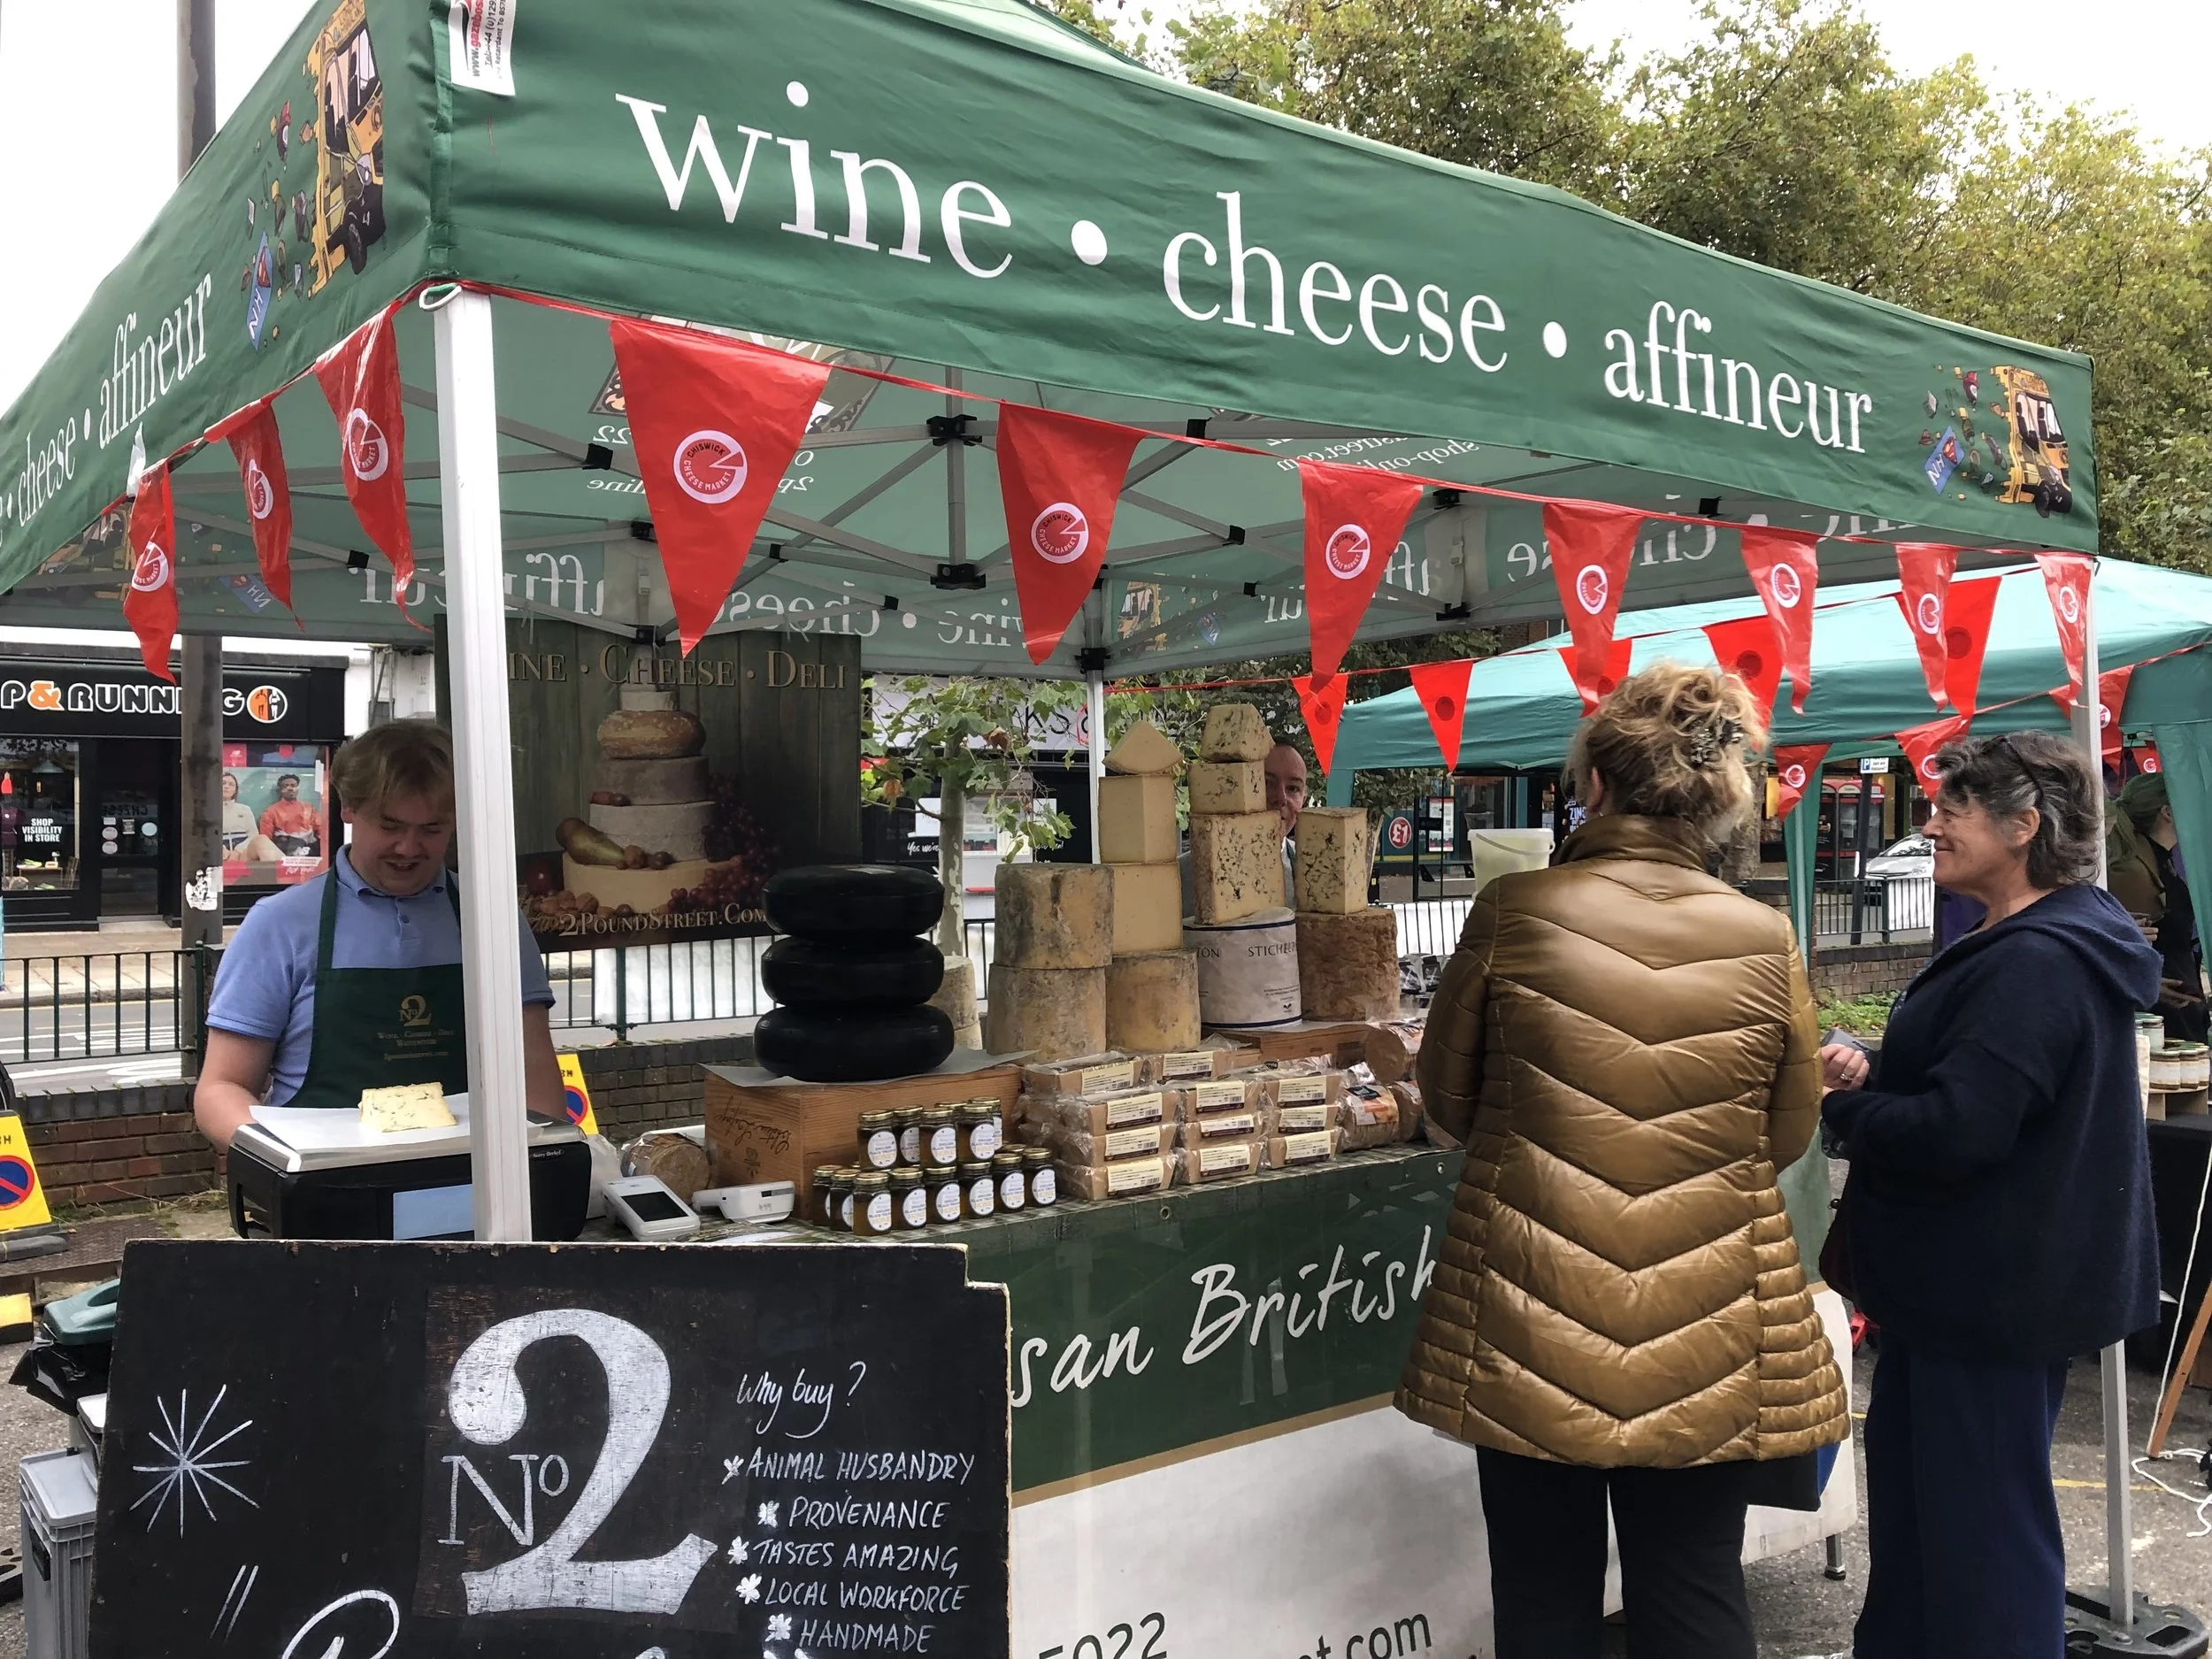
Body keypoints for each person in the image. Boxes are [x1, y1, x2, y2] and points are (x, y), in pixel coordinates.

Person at [1396, 664, 1848, 1659]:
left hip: (1529, 1309)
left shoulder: (1516, 910)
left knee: (1541, 1593)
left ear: (1594, 783)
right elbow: (1785, 1134)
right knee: (1693, 1587)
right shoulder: (1763, 935)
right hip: (1711, 1310)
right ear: (1714, 795)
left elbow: (1448, 1101)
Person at [1822, 732, 2161, 1659]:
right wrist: (1881, 1069)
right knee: (1926, 1532)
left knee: (1982, 1547)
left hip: (1989, 1297)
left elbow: (1961, 1130)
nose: (1929, 827)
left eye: (1950, 810)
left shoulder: (2035, 959)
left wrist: (1841, 1110)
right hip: (1963, 1292)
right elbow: (1990, 1085)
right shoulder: (2032, 940)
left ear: (2024, 826)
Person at [195, 719, 565, 1147]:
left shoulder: (493, 920)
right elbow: (221, 1087)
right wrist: (284, 1163)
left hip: (473, 1172)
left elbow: (533, 1068)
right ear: (349, 808)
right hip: (325, 1177)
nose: (408, 848)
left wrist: (544, 1155)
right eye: (390, 826)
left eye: (432, 829)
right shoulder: (280, 924)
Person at [2108, 770, 2207, 1040]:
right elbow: (2125, 949)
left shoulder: (2156, 860)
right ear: (2168, 813)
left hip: (2173, 1001)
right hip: (2159, 1014)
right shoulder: (2135, 871)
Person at [1179, 733, 1307, 912]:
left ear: (1304, 800)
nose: (1281, 797)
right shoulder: (1181, 875)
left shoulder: (1313, 869)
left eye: (1293, 788)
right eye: (1265, 782)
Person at [257, 772, 322, 859]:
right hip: (284, 850)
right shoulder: (270, 811)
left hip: (310, 849)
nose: (290, 788)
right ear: (280, 790)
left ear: (298, 788)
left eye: (293, 785)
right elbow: (265, 839)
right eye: (286, 786)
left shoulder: (310, 808)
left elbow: (321, 830)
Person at [219, 772, 258, 854]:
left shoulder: (245, 809)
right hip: (218, 853)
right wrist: (222, 850)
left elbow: (254, 835)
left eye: (231, 785)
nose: (226, 786)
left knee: (263, 840)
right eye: (223, 783)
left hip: (243, 852)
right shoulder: (208, 810)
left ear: (235, 790)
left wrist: (238, 851)